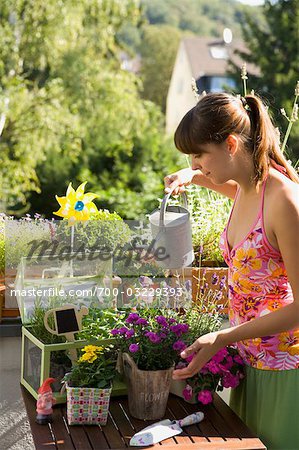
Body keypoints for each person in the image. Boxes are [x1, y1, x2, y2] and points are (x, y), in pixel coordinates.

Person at [164, 92, 299, 450]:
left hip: (285, 370)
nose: (195, 162)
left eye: (199, 154)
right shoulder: (245, 186)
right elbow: (216, 180)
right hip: (249, 362)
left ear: (230, 144)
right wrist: (190, 176)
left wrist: (223, 337)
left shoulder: (284, 201)